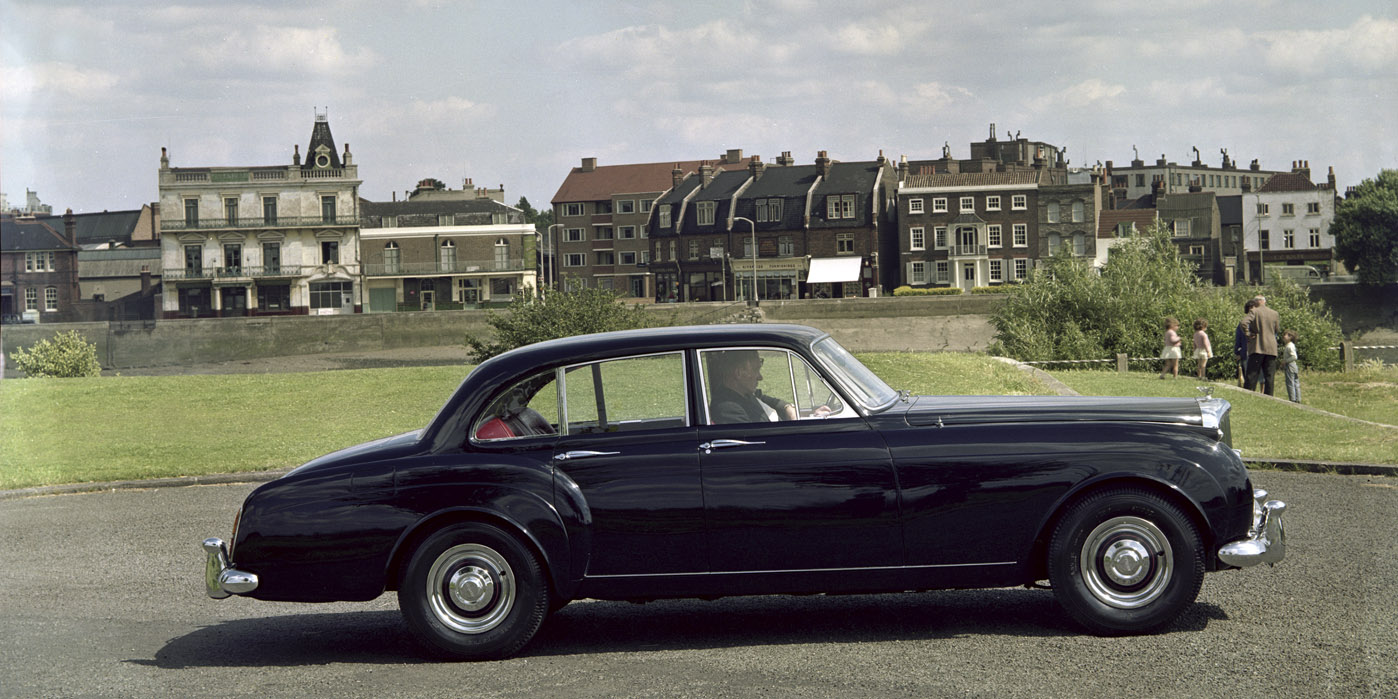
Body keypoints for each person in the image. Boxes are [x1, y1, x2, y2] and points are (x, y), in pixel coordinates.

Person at [706, 350, 798, 424]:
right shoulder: (728, 409)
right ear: (739, 373)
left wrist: (787, 408)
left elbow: (769, 400)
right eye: (755, 370)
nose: (760, 377)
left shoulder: (744, 394)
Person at [1244, 295, 1281, 395]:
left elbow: (1243, 323)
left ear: (1256, 302)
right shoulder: (1274, 313)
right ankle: (1269, 396)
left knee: (1252, 374)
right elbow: (1277, 329)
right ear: (1264, 302)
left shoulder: (1254, 311)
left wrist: (1248, 333)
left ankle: (1248, 393)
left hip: (1257, 346)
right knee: (1269, 375)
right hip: (1271, 348)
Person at [1234, 299, 1257, 386]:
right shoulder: (1242, 324)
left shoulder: (1259, 322)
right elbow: (1238, 338)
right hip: (1246, 351)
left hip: (1256, 350)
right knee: (1247, 373)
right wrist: (1237, 352)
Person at [1279, 330, 1301, 403]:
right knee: (1295, 382)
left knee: (1290, 382)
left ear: (1290, 337)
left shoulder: (1289, 346)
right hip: (1294, 366)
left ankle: (1292, 399)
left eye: (1286, 335)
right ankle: (1298, 398)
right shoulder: (1290, 345)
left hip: (1290, 365)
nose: (1284, 336)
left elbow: (1294, 356)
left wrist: (1285, 361)